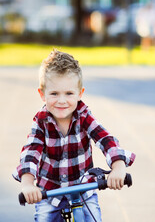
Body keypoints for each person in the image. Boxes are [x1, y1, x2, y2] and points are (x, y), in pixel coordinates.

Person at [13, 49, 136, 222]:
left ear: (80, 94)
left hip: (83, 188)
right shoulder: (41, 122)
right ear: (42, 94)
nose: (62, 100)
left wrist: (118, 166)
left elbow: (105, 139)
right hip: (50, 192)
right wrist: (27, 184)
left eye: (69, 93)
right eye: (54, 93)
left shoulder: (84, 116)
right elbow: (30, 152)